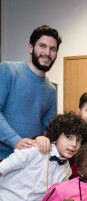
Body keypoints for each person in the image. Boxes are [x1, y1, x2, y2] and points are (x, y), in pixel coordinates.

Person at [0, 112, 87, 201]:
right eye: (69, 137)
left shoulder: (67, 172)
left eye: (79, 140)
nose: (74, 144)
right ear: (56, 136)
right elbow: (2, 168)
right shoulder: (36, 149)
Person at [0, 25, 62, 160]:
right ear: (30, 47)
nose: (47, 52)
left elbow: (49, 130)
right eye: (42, 46)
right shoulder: (8, 70)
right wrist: (15, 140)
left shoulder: (51, 90)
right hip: (3, 157)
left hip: (29, 159)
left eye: (53, 49)